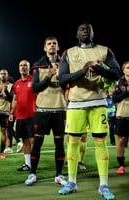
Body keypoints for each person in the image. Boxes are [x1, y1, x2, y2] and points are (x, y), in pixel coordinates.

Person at [57, 22, 120, 199]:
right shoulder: (68, 53)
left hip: (98, 102)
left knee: (100, 142)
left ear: (93, 32)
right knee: (73, 143)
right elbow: (62, 79)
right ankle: (71, 182)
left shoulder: (105, 51)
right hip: (76, 104)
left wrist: (100, 69)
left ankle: (104, 185)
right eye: (82, 29)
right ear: (77, 34)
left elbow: (116, 74)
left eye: (88, 29)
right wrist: (82, 71)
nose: (85, 31)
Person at [24, 36, 67, 186]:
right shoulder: (38, 66)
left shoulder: (65, 64)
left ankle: (59, 175)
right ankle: (33, 174)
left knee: (60, 144)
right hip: (42, 110)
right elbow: (35, 88)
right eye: (49, 44)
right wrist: (48, 77)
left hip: (60, 109)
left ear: (58, 46)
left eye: (54, 43)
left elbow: (68, 85)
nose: (52, 46)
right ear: (44, 48)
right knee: (37, 144)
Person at [8, 59, 35, 172]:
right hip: (20, 116)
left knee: (33, 140)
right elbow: (15, 99)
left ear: (29, 68)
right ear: (19, 68)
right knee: (25, 141)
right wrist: (11, 112)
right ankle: (28, 164)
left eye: (25, 65)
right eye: (21, 65)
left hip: (32, 116)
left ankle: (34, 163)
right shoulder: (17, 83)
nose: (23, 67)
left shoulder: (34, 81)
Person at [112, 60, 129, 175]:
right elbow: (114, 98)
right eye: (128, 67)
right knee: (121, 140)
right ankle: (121, 165)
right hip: (122, 114)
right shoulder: (119, 82)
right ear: (123, 70)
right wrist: (126, 92)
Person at [0, 68, 14, 155]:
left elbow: (12, 98)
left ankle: (2, 152)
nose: (3, 75)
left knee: (3, 131)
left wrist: (5, 91)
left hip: (5, 112)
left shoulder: (11, 86)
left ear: (7, 75)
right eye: (1, 73)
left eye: (5, 73)